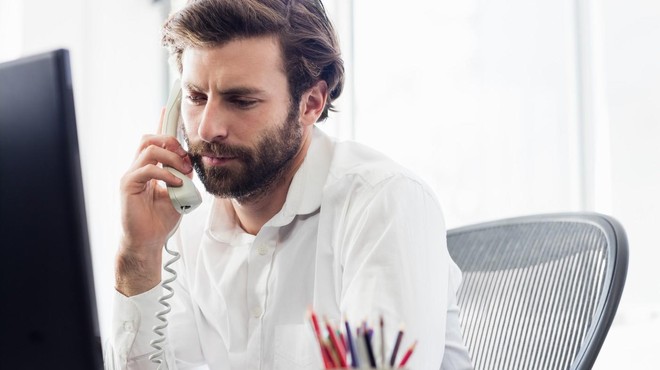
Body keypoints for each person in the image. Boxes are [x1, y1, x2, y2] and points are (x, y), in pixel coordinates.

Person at [106, 0, 473, 369]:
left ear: (311, 103)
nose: (206, 128)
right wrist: (139, 255)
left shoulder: (384, 204)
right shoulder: (186, 229)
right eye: (196, 97)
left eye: (242, 100)